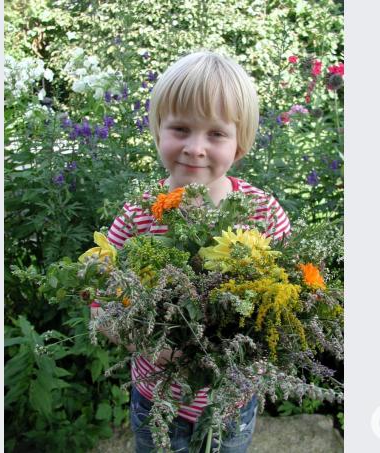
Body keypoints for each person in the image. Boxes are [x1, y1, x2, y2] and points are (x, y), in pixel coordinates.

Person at [91, 50, 291, 453]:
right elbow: (100, 303)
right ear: (158, 130)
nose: (195, 148)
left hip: (231, 401)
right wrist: (146, 342)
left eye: (216, 134)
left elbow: (291, 307)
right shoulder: (137, 216)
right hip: (155, 400)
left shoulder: (264, 215)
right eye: (180, 128)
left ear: (240, 143)